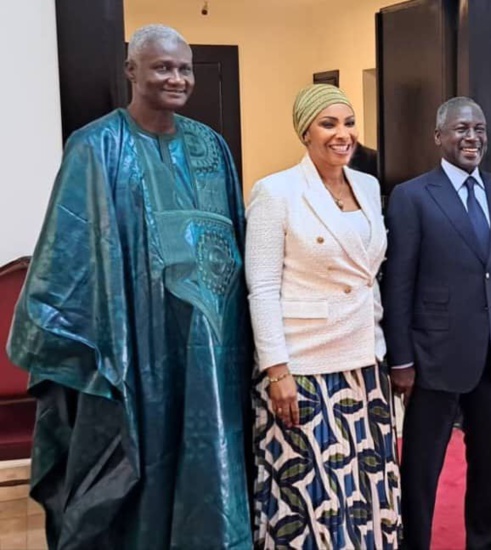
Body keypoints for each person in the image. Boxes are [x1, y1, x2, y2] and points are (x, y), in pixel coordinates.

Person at [7, 24, 252, 549]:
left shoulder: (211, 146)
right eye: (163, 66)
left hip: (207, 357)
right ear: (131, 70)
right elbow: (65, 258)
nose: (177, 78)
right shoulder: (95, 148)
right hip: (131, 356)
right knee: (132, 474)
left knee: (207, 468)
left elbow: (235, 245)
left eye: (184, 68)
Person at [245, 84, 401, 549]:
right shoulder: (276, 192)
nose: (343, 134)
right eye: (329, 124)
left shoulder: (369, 186)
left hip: (364, 360)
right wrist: (277, 371)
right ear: (305, 132)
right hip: (303, 366)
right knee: (309, 493)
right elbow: (263, 287)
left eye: (349, 123)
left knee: (364, 487)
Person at [383, 97, 491, 550]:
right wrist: (402, 359)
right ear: (438, 137)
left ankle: (483, 544)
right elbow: (399, 284)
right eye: (461, 129)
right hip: (433, 357)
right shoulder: (412, 196)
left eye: (480, 129)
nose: (473, 137)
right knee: (422, 469)